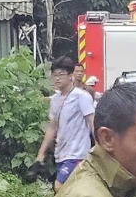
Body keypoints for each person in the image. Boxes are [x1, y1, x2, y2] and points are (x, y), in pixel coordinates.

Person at [34, 57, 96, 189]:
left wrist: (100, 149)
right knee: (71, 190)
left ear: (70, 76)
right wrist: (41, 153)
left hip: (78, 154)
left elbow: (92, 123)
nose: (57, 78)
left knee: (59, 186)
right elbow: (52, 128)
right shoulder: (55, 100)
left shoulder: (81, 96)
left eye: (61, 75)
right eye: (54, 75)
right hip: (61, 154)